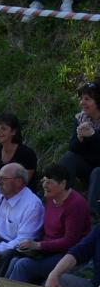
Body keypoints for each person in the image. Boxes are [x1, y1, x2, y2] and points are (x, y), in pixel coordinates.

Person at [3, 164, 91, 286]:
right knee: (13, 259)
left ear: (63, 184)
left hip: (68, 255)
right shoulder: (51, 198)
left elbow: (70, 241)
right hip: (49, 250)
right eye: (44, 181)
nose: (44, 185)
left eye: (49, 182)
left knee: (23, 265)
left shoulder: (76, 205)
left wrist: (38, 245)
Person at [61, 82, 100, 215]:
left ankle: (92, 216)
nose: (82, 103)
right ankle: (61, 200)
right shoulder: (81, 118)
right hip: (88, 168)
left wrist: (93, 135)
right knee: (68, 157)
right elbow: (72, 148)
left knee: (97, 172)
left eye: (87, 99)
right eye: (81, 99)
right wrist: (80, 138)